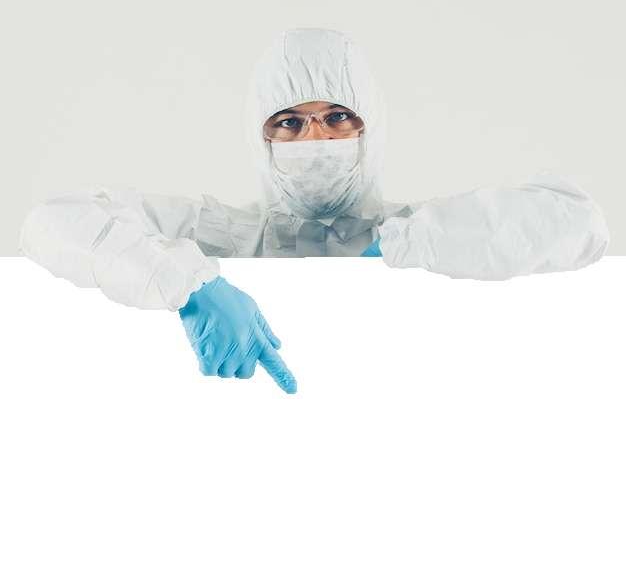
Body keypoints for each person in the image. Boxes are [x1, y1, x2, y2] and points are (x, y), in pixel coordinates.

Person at [18, 27, 610, 395]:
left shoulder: (421, 233)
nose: (316, 138)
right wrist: (186, 285)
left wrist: (411, 244)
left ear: (370, 128)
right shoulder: (223, 236)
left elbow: (579, 222)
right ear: (261, 138)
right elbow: (51, 222)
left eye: (338, 117)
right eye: (289, 122)